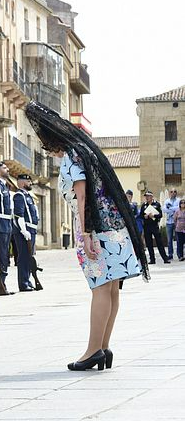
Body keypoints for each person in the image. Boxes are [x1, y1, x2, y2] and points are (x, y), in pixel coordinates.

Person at [25, 101, 149, 371]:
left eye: (47, 146)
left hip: (95, 231)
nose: (51, 152)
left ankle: (92, 351)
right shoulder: (88, 150)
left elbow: (82, 196)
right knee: (112, 289)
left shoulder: (72, 155)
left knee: (100, 289)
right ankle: (103, 347)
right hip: (116, 229)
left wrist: (86, 233)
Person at [12, 174, 41, 291]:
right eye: (28, 182)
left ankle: (28, 280)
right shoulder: (19, 196)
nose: (30, 183)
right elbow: (19, 215)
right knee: (23, 257)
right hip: (25, 230)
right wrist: (23, 230)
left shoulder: (28, 196)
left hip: (31, 229)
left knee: (29, 256)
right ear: (22, 182)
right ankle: (23, 283)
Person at [0, 161, 14, 296]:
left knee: (5, 255)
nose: (7, 169)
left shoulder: (5, 186)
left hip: (6, 224)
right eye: (4, 168)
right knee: (0, 255)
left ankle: (2, 283)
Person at [140, 191, 169, 264]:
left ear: (151, 197)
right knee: (149, 244)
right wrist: (144, 216)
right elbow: (141, 215)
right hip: (146, 226)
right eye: (146, 196)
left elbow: (160, 215)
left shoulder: (156, 204)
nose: (147, 197)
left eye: (148, 196)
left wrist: (154, 216)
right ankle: (152, 259)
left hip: (154, 225)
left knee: (159, 242)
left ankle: (165, 258)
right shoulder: (144, 205)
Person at [163, 189, 180, 262]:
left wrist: (170, 208)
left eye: (175, 191)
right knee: (169, 240)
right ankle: (170, 254)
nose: (173, 193)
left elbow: (179, 208)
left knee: (179, 239)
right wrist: (174, 209)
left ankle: (179, 254)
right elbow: (164, 210)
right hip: (169, 222)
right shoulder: (167, 201)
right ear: (169, 193)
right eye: (171, 192)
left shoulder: (179, 200)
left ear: (176, 193)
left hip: (177, 222)